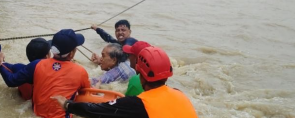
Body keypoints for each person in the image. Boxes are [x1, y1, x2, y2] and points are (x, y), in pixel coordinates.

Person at [52, 47, 198, 118]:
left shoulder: (138, 104)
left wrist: (67, 104)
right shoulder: (181, 95)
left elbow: (95, 110)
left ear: (140, 74)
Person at [0, 29, 91, 118]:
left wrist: (0, 60)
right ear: (72, 53)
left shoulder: (36, 65)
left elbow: (10, 80)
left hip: (35, 114)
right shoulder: (81, 71)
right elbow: (86, 96)